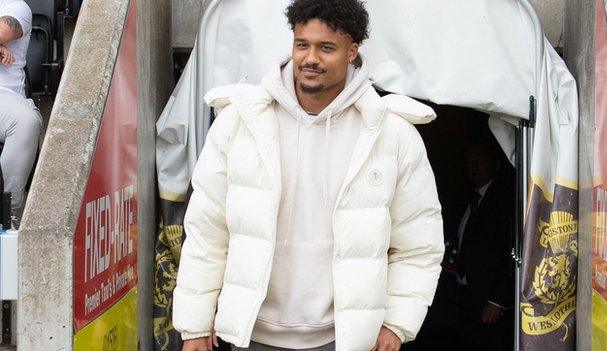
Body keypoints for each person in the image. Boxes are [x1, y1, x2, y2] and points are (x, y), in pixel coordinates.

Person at [173, 0, 444, 350]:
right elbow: (206, 232)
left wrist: (397, 324)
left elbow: (418, 245)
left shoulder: (391, 134)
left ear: (352, 51)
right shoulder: (240, 122)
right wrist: (194, 325)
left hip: (343, 339)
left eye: (326, 47)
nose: (310, 58)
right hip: (249, 335)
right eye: (302, 44)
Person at [455, 140, 514, 351]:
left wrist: (498, 299)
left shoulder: (504, 200)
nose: (474, 168)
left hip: (489, 300)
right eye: (470, 163)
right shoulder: (472, 196)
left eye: (479, 162)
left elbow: (510, 251)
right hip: (467, 295)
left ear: (496, 164)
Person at [0, 0, 42, 224]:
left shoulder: (15, 6)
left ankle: (8, 211)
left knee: (26, 121)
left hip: (3, 97)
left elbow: (4, 30)